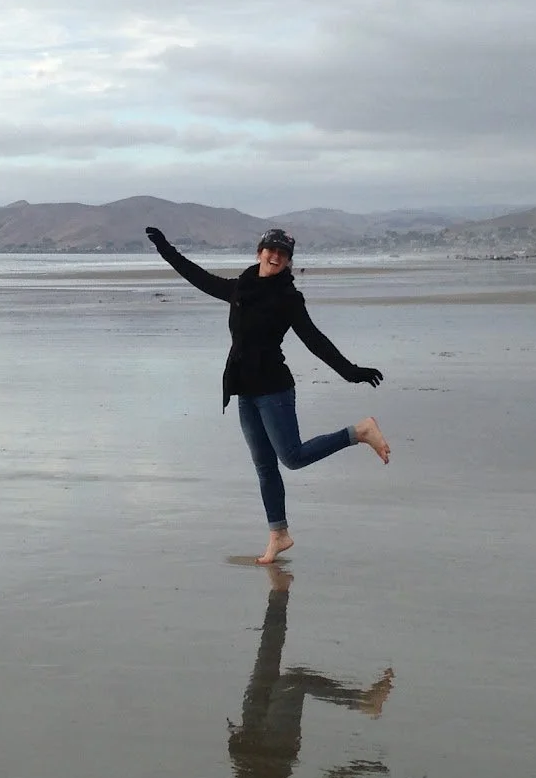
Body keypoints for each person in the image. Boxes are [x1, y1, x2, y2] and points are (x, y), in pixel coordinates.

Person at [145, 224, 389, 563]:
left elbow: (314, 340)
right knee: (264, 467)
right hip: (245, 390)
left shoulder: (287, 299)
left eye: (283, 253)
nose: (275, 256)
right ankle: (279, 534)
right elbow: (197, 277)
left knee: (292, 456)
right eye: (270, 249)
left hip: (274, 389)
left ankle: (359, 432)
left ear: (288, 261)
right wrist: (165, 248)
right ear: (259, 252)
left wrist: (351, 372)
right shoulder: (241, 288)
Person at [153, 566, 393, 778]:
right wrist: (359, 773)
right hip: (276, 747)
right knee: (293, 679)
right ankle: (363, 702)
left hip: (249, 740)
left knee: (267, 656)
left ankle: (279, 593)